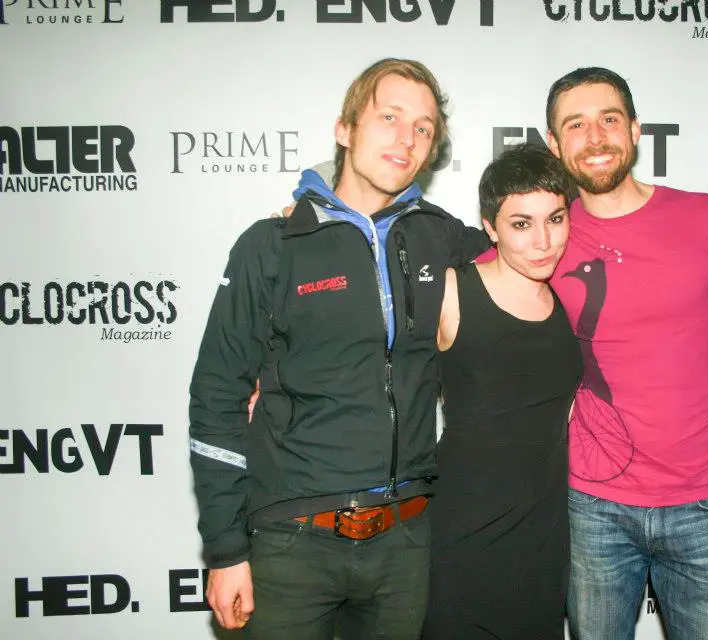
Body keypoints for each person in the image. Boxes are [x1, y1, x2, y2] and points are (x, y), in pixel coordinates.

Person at [187, 58, 488, 640]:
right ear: (345, 129)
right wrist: (225, 552)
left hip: (406, 542)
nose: (407, 138)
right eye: (390, 117)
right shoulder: (271, 245)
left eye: (423, 127)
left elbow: (531, 251)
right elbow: (217, 395)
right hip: (292, 543)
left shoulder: (441, 235)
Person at [543, 67, 708, 639]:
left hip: (704, 505)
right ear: (555, 146)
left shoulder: (707, 216)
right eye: (576, 125)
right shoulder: (546, 237)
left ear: (635, 130)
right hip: (593, 508)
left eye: (609, 119)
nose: (596, 136)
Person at [421, 145, 583, 640]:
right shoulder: (452, 291)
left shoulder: (567, 298)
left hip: (544, 537)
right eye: (521, 224)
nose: (542, 242)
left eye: (555, 219)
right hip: (462, 533)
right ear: (490, 227)